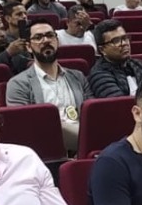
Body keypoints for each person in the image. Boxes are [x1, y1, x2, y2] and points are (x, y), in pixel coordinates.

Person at [5, 22, 87, 155]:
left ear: (57, 41)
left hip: (83, 150)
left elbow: (90, 115)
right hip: (46, 152)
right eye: (38, 37)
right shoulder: (18, 84)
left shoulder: (77, 76)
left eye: (50, 35)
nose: (46, 40)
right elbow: (23, 128)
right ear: (29, 47)